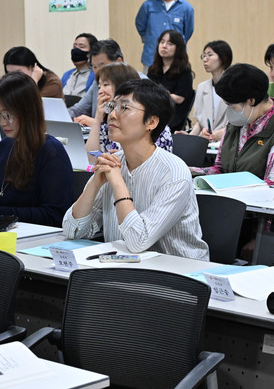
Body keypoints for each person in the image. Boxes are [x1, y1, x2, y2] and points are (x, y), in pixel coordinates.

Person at [62, 79, 208, 259]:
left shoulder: (174, 173)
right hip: (122, 266)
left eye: (124, 108)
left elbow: (138, 241)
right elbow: (72, 231)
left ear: (151, 122)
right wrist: (94, 185)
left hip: (177, 270)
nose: (112, 115)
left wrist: (118, 183)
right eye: (112, 107)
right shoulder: (112, 163)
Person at [0, 73, 73, 226]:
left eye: (8, 115)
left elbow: (55, 215)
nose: (2, 122)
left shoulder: (51, 151)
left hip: (38, 236)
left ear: (28, 112)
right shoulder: (4, 146)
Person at [191, 63, 274, 188]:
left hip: (262, 199)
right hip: (231, 195)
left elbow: (272, 187)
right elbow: (220, 169)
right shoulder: (237, 122)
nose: (230, 111)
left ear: (251, 100)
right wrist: (190, 171)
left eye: (232, 106)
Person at [84, 63, 173, 163]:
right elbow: (90, 161)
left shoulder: (156, 127)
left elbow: (155, 164)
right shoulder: (108, 123)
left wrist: (126, 159)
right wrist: (97, 120)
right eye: (99, 86)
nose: (100, 91)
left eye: (105, 85)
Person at [68, 39, 147, 121]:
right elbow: (78, 110)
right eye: (94, 67)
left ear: (119, 61)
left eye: (102, 66)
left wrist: (96, 123)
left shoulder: (140, 83)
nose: (98, 71)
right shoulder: (98, 83)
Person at [135, 0, 195, 70]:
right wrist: (150, 39)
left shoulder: (186, 8)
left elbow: (187, 32)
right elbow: (140, 26)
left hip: (176, 61)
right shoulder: (148, 5)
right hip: (151, 59)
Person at [147, 29, 195, 132]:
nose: (164, 46)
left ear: (178, 48)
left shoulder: (184, 71)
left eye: (170, 43)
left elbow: (179, 98)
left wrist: (159, 93)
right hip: (153, 111)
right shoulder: (153, 69)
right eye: (162, 42)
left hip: (173, 116)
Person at [184, 40, 231, 141]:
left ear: (224, 58)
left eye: (210, 55)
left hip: (227, 140)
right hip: (207, 142)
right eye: (204, 56)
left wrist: (221, 133)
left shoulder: (234, 86)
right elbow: (200, 122)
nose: (205, 59)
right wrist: (189, 138)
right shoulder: (202, 87)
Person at [61, 33, 97, 98]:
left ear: (90, 53)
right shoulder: (67, 74)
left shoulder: (95, 75)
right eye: (74, 47)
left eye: (81, 47)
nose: (76, 50)